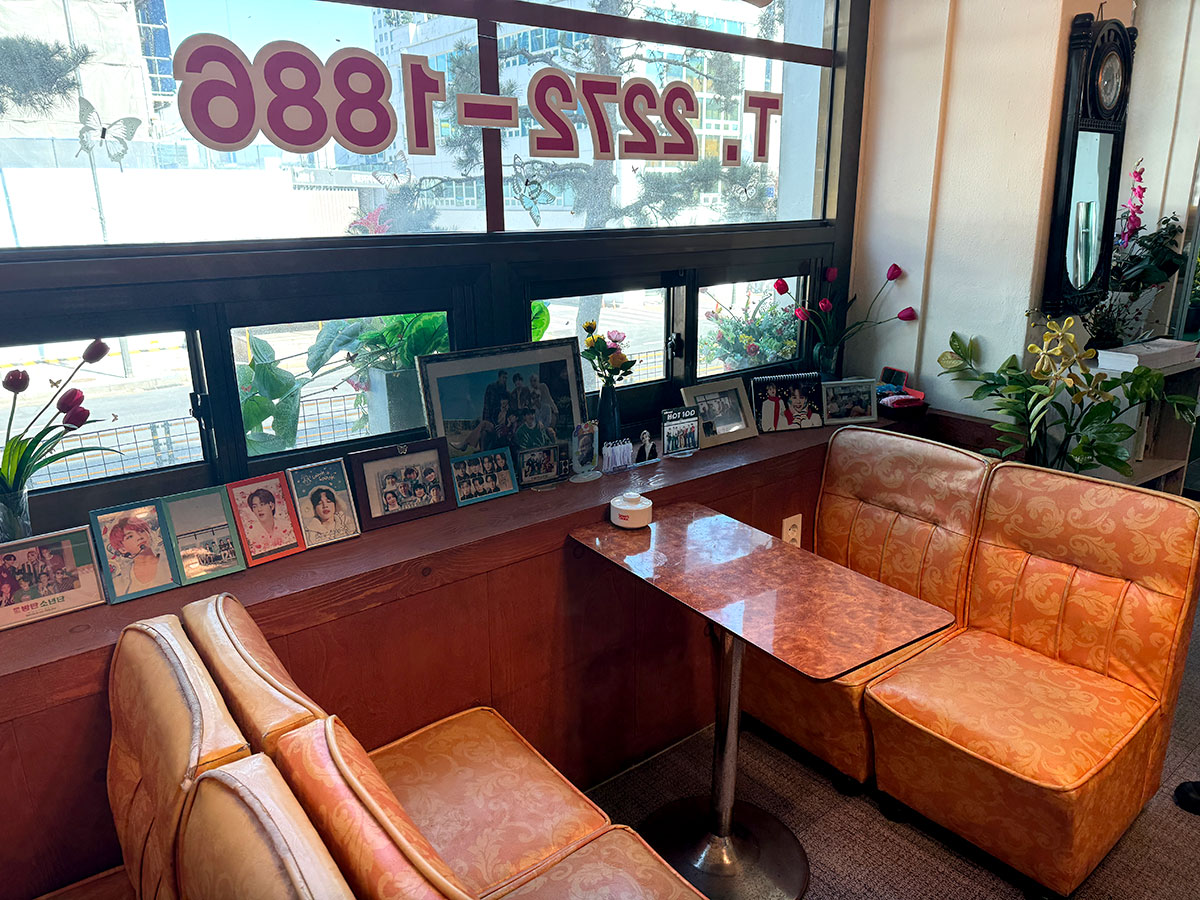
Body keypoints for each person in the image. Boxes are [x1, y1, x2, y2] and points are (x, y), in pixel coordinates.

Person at [107, 516, 173, 596]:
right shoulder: (120, 581)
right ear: (122, 549)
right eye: (130, 536)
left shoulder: (170, 561)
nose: (139, 537)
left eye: (141, 531)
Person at [243, 488, 296, 554]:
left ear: (272, 506)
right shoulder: (250, 533)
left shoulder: (287, 525)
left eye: (262, 504)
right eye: (254, 506)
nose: (259, 509)